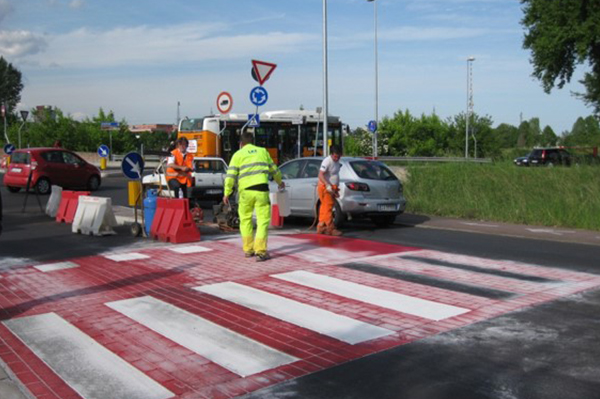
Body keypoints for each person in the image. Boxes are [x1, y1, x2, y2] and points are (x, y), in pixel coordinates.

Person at [223, 131, 284, 262]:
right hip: (262, 189)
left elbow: (231, 175)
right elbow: (274, 170)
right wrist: (280, 182)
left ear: (241, 144)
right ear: (253, 142)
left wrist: (227, 192)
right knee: (262, 221)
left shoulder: (238, 154)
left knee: (245, 220)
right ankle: (261, 251)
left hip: (245, 192)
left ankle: (248, 250)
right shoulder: (263, 151)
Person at [317, 145, 343, 236]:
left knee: (324, 207)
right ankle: (330, 228)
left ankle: (321, 226)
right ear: (331, 154)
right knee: (328, 207)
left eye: (338, 156)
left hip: (332, 187)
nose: (337, 158)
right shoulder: (327, 161)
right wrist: (327, 185)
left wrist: (335, 189)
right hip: (325, 187)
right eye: (335, 156)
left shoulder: (337, 161)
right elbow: (320, 175)